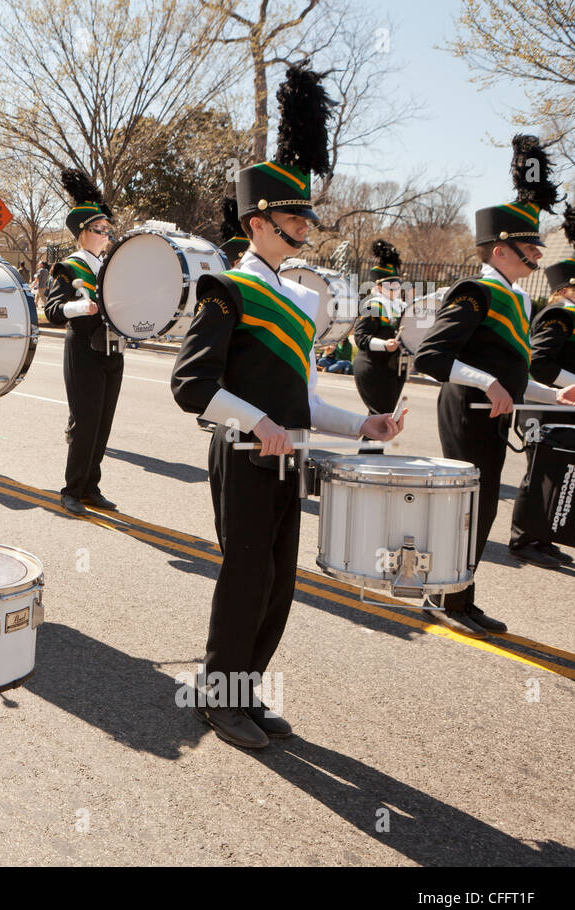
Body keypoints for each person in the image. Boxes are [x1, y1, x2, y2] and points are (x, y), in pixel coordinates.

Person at [171, 64, 405, 749]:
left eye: (305, 212)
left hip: (285, 455)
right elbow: (190, 386)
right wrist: (259, 423)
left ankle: (247, 692)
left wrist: (362, 423)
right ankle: (219, 700)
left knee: (278, 584)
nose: (305, 222)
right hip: (244, 453)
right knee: (246, 577)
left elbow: (302, 399)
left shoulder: (301, 301)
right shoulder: (226, 288)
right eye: (294, 213)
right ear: (258, 221)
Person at [414, 135, 575, 636]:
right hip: (465, 408)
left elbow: (516, 376)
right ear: (502, 248)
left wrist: (555, 395)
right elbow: (432, 357)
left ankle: (459, 595)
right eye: (530, 245)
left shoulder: (515, 299)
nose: (537, 254)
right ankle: (445, 596)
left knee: (482, 507)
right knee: (468, 506)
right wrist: (487, 381)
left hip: (489, 409)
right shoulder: (476, 290)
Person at [506, 204, 575, 566]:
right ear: (571, 287)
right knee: (537, 473)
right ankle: (523, 540)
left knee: (558, 471)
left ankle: (543, 537)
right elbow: (540, 363)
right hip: (545, 404)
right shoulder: (558, 313)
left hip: (567, 405)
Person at [45, 168, 121, 516]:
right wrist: (80, 305)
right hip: (83, 350)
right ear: (82, 234)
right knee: (85, 421)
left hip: (111, 349)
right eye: (98, 229)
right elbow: (53, 310)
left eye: (107, 229)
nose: (105, 234)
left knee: (103, 422)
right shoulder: (69, 266)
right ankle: (72, 489)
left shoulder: (114, 266)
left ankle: (91, 486)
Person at [352, 239, 407, 418]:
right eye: (389, 285)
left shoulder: (401, 306)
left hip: (392, 369)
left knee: (385, 420)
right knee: (379, 419)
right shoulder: (373, 305)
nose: (394, 289)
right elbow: (360, 337)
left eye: (397, 285)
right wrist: (384, 344)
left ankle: (372, 447)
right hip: (372, 367)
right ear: (378, 287)